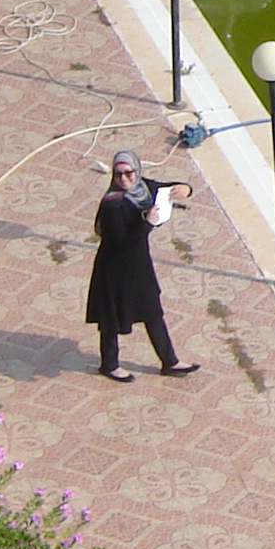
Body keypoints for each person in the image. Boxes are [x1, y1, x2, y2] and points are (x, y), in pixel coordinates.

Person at [87, 151, 201, 382]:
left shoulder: (143, 187)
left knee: (153, 311)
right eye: (119, 175)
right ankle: (109, 364)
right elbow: (121, 242)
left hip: (139, 264)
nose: (124, 179)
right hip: (115, 267)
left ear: (137, 171)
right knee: (111, 317)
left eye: (129, 173)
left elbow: (166, 188)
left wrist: (185, 188)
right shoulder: (113, 204)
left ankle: (170, 362)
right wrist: (147, 224)